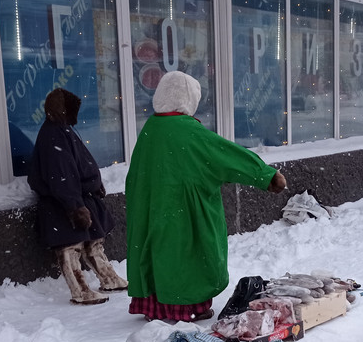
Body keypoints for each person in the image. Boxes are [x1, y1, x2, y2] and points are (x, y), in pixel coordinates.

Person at [125, 71, 287, 323]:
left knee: (157, 253)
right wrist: (265, 175)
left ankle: (154, 307)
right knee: (187, 255)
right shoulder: (189, 131)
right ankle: (187, 307)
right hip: (184, 210)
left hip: (152, 209)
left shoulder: (150, 129)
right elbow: (226, 155)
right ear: (187, 99)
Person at [28, 88, 127, 305]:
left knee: (94, 242)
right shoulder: (53, 135)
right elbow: (61, 175)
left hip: (80, 197)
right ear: (65, 110)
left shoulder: (62, 131)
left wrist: (93, 186)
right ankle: (80, 290)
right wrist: (74, 207)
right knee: (70, 247)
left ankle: (108, 278)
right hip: (63, 203)